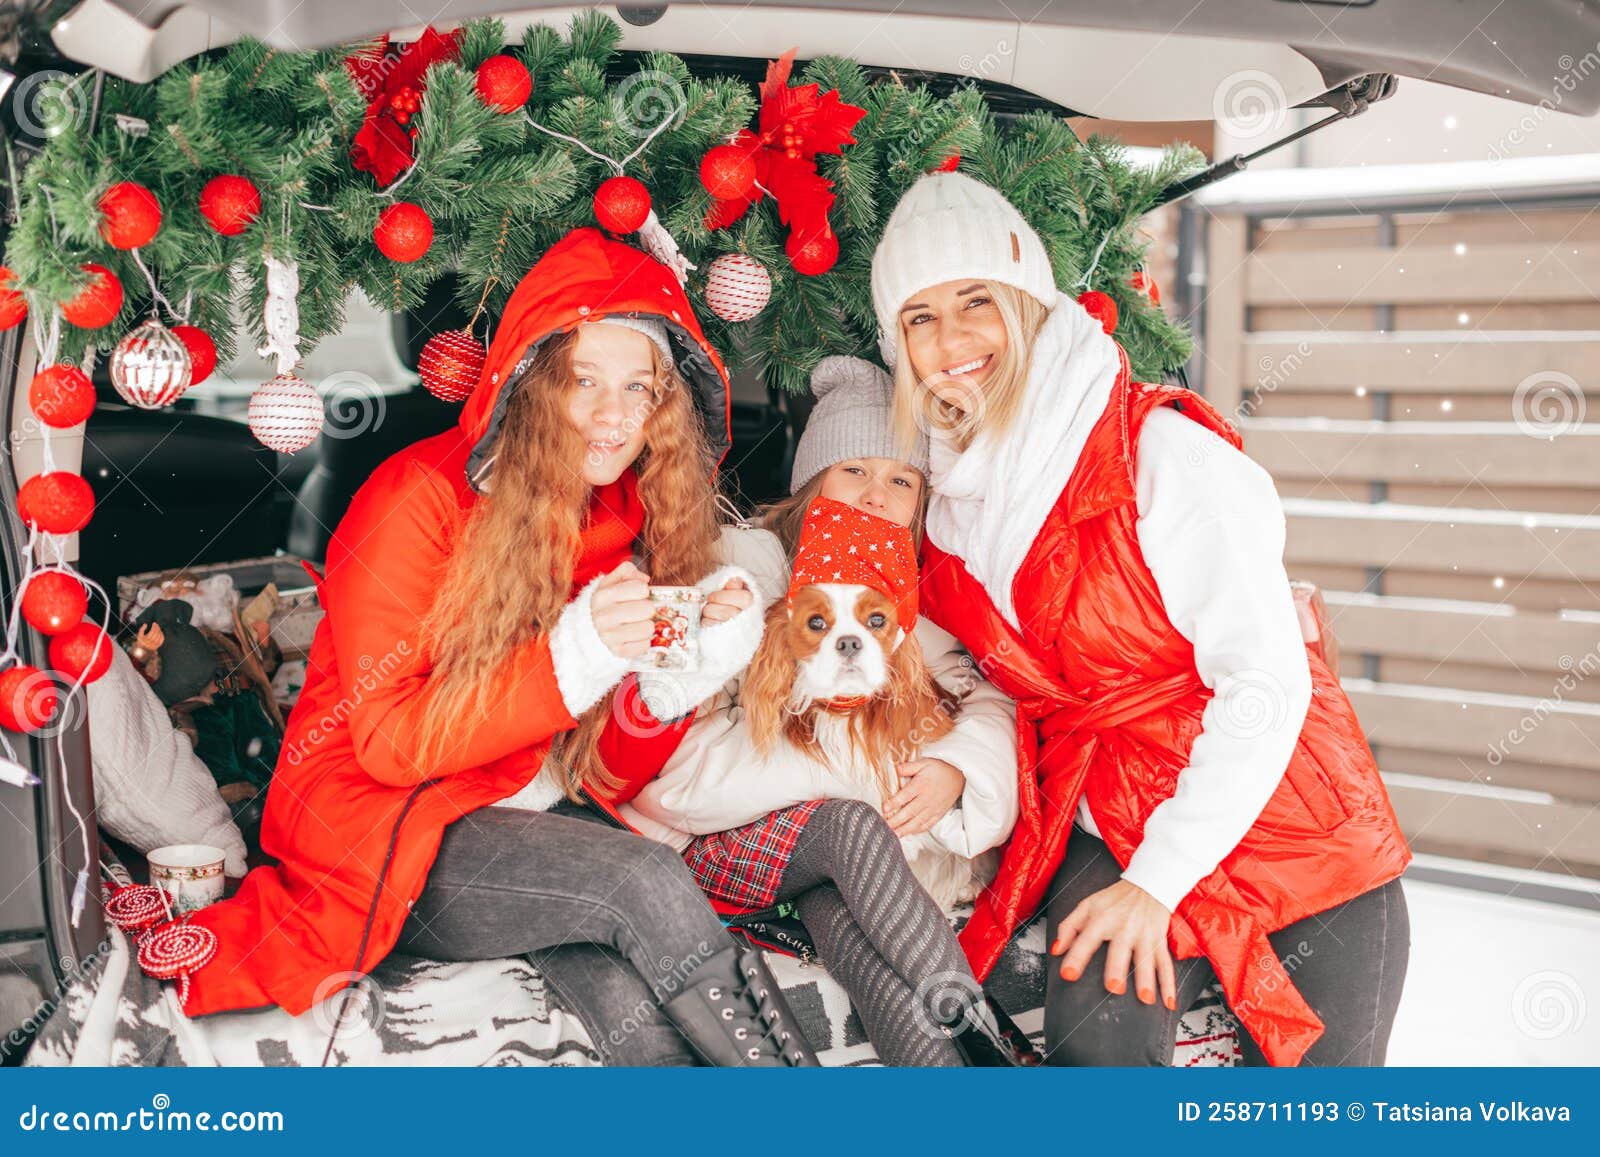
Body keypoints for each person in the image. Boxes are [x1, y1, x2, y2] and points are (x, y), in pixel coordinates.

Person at [181, 228, 817, 1067]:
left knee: (620, 988)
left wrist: (687, 665)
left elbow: (604, 769)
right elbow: (386, 741)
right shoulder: (416, 498)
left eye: (640, 387)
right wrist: (574, 655)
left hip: (528, 815)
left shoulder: (622, 511)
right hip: (388, 826)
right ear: (529, 379)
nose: (612, 415)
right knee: (642, 882)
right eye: (583, 380)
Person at [869, 171, 1412, 1066]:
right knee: (1098, 1059)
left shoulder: (1161, 454)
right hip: (1106, 811)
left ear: (1029, 302)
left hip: (1289, 826)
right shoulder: (951, 501)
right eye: (919, 318)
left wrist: (1156, 886)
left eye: (976, 301)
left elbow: (1265, 683)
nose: (950, 339)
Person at [623, 357, 1020, 1065]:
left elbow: (985, 697)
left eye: (901, 480)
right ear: (811, 482)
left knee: (847, 928)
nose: (876, 496)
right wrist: (857, 766)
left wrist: (956, 770)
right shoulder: (740, 572)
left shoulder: (911, 610)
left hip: (823, 874)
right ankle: (987, 1034)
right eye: (853, 472)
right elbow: (678, 767)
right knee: (847, 824)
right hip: (722, 843)